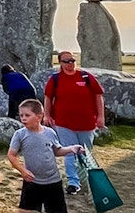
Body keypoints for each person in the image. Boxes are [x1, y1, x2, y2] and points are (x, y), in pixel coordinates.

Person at [5, 99, 86, 213]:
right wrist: (23, 171)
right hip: (32, 182)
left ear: (39, 116)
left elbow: (57, 150)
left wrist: (72, 149)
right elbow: (11, 155)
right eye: (21, 115)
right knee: (23, 211)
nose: (23, 118)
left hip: (52, 182)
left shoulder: (50, 133)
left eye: (27, 115)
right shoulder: (20, 135)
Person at [43, 51, 105, 195]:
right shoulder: (56, 79)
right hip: (64, 123)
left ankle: (89, 181)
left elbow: (98, 96)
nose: (70, 63)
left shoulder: (86, 77)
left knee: (85, 152)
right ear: (60, 63)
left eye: (72, 60)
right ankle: (73, 182)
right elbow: (48, 97)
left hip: (87, 123)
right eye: (66, 61)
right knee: (70, 152)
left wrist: (101, 116)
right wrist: (47, 115)